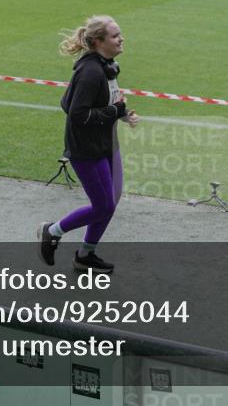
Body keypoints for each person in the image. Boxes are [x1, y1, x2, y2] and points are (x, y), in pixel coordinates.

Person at [37, 15, 138, 274]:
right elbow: (77, 114)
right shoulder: (91, 72)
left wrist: (121, 112)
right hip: (86, 149)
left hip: (106, 142)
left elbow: (68, 102)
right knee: (103, 205)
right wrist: (114, 111)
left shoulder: (107, 66)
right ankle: (52, 231)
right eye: (115, 36)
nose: (121, 39)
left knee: (110, 201)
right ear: (97, 41)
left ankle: (85, 255)